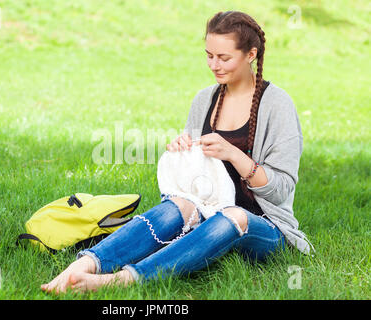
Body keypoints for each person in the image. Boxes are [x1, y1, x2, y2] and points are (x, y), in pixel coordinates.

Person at [41, 10, 314, 294]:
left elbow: (281, 190)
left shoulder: (277, 105)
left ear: (250, 55)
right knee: (179, 207)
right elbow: (189, 183)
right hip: (208, 215)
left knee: (235, 215)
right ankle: (85, 265)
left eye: (224, 58)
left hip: (264, 228)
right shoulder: (204, 99)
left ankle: (122, 280)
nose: (214, 65)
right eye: (209, 55)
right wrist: (181, 153)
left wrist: (235, 155)